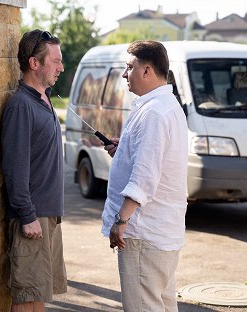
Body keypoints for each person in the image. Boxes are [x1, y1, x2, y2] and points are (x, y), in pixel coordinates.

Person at [101, 40, 189, 312]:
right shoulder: (165, 105)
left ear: (147, 70)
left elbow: (145, 177)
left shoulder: (154, 113)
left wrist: (121, 220)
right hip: (161, 235)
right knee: (161, 305)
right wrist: (124, 150)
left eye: (130, 67)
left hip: (143, 234)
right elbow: (150, 160)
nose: (125, 74)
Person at [0, 29, 67, 312]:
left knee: (38, 294)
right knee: (26, 298)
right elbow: (14, 167)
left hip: (48, 216)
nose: (61, 67)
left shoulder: (44, 99)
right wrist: (27, 216)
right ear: (34, 63)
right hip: (33, 217)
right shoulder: (20, 105)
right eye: (55, 61)